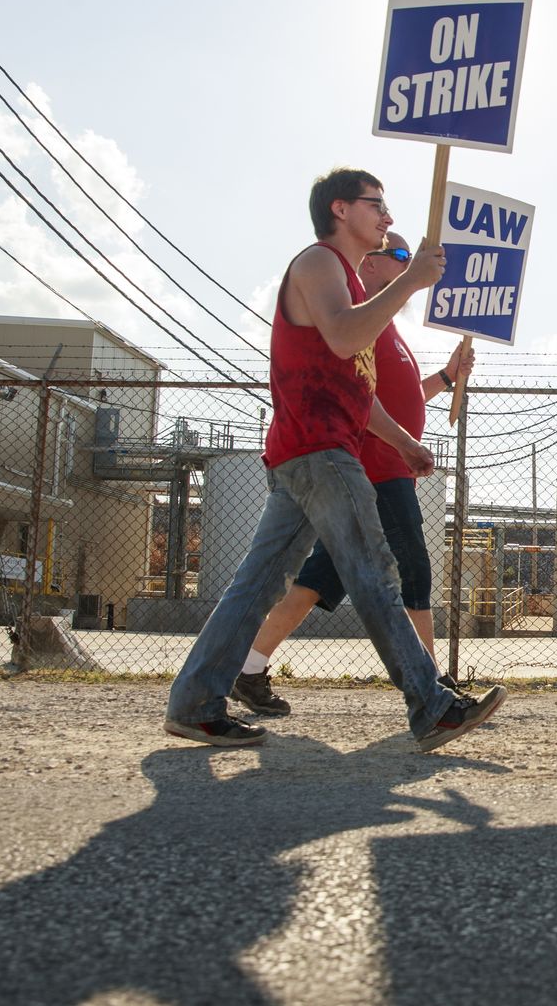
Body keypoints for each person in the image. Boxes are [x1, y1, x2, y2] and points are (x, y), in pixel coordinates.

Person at [163, 169, 504, 749]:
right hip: (319, 452)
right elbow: (346, 339)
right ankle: (432, 705)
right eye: (377, 206)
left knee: (258, 583)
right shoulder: (319, 262)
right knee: (375, 572)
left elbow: (356, 389)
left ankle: (195, 702)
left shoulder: (345, 280)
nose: (388, 218)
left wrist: (404, 443)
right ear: (341, 209)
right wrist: (413, 281)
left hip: (310, 451)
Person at [230, 230, 474, 718]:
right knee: (412, 571)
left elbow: (398, 400)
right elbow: (356, 396)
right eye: (401, 254)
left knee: (316, 581)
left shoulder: (385, 326)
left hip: (381, 465)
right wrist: (403, 445)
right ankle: (435, 687)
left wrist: (447, 378)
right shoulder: (365, 319)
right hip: (372, 466)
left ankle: (249, 668)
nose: (412, 261)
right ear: (372, 264)